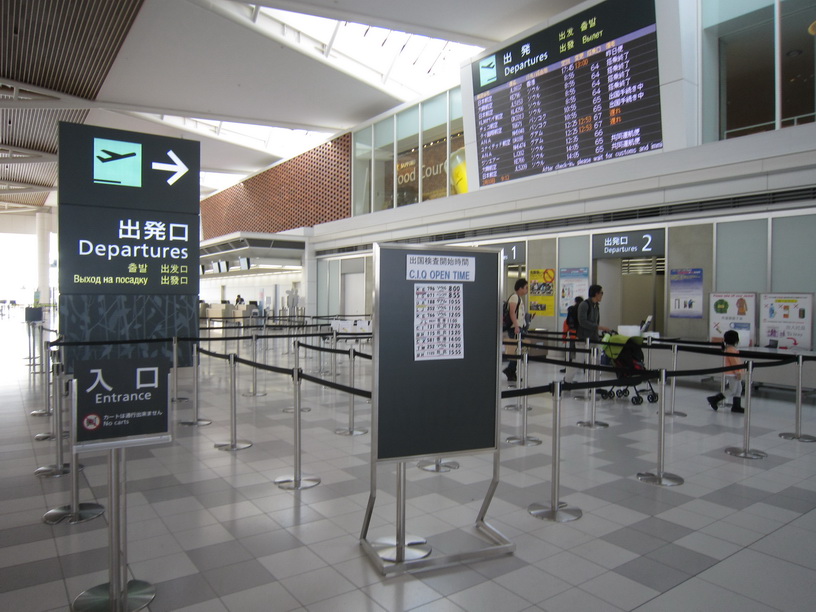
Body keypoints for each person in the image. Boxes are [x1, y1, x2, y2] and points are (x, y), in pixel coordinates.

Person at [707, 330, 744, 413]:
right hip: (732, 373)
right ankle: (714, 399)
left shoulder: (730, 349)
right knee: (732, 390)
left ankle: (736, 406)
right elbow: (734, 363)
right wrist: (738, 372)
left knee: (739, 389)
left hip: (734, 372)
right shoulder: (730, 350)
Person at [502, 278, 531, 382]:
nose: (527, 290)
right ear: (520, 288)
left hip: (518, 327)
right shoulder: (514, 297)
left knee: (518, 350)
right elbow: (512, 312)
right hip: (515, 328)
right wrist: (516, 326)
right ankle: (510, 370)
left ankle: (511, 370)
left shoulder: (518, 298)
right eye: (526, 288)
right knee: (516, 350)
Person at [561, 296, 583, 372]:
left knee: (569, 352)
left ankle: (568, 368)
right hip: (581, 335)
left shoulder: (571, 310)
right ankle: (581, 367)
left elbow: (567, 324)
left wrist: (564, 337)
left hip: (572, 334)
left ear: (575, 301)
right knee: (580, 352)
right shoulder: (582, 310)